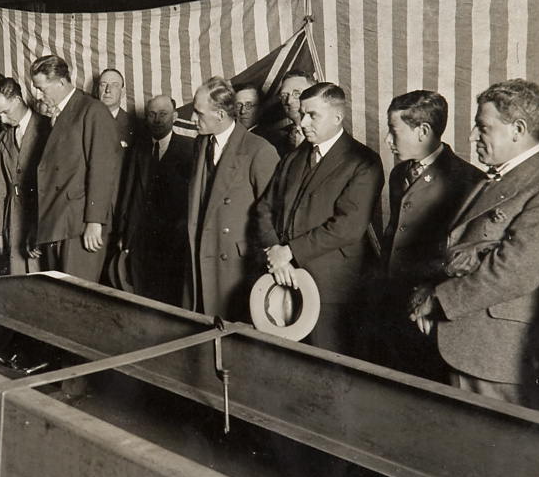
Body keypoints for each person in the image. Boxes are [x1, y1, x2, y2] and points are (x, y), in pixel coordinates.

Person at [410, 79, 539, 409]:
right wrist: (428, 291)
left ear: (518, 129)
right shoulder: (493, 178)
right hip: (464, 343)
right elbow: (457, 249)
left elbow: (515, 271)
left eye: (483, 127)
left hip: (495, 357)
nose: (471, 137)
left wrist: (437, 300)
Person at [255, 82, 384, 355]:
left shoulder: (363, 162)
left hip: (332, 291)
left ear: (338, 118)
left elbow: (347, 227)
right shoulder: (293, 158)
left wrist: (288, 252)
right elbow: (264, 207)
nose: (302, 122)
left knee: (328, 367)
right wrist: (275, 253)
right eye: (302, 114)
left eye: (313, 115)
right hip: (283, 277)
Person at [377, 91, 484, 379]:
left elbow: (462, 255)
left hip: (429, 305)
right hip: (392, 297)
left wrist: (432, 299)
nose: (388, 140)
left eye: (393, 130)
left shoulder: (468, 181)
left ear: (423, 131)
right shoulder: (399, 173)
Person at [185, 79, 278, 319]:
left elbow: (273, 215)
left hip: (234, 267)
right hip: (199, 256)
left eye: (198, 112)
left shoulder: (259, 150)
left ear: (219, 114)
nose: (193, 119)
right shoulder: (201, 144)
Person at [30, 55, 121, 282]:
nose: (40, 95)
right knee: (60, 295)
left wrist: (94, 221)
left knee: (78, 298)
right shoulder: (62, 113)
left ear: (61, 82)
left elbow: (102, 170)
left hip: (79, 224)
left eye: (42, 89)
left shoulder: (92, 110)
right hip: (60, 221)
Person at [117, 95, 194, 306]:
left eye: (163, 114)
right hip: (141, 242)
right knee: (141, 300)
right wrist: (125, 233)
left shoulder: (190, 149)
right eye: (152, 114)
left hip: (174, 244)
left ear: (175, 116)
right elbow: (129, 194)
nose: (157, 120)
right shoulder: (138, 149)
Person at [0, 78, 50, 275]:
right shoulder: (4, 138)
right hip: (13, 218)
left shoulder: (47, 129)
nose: (3, 120)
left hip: (41, 216)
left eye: (5, 112)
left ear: (16, 100)